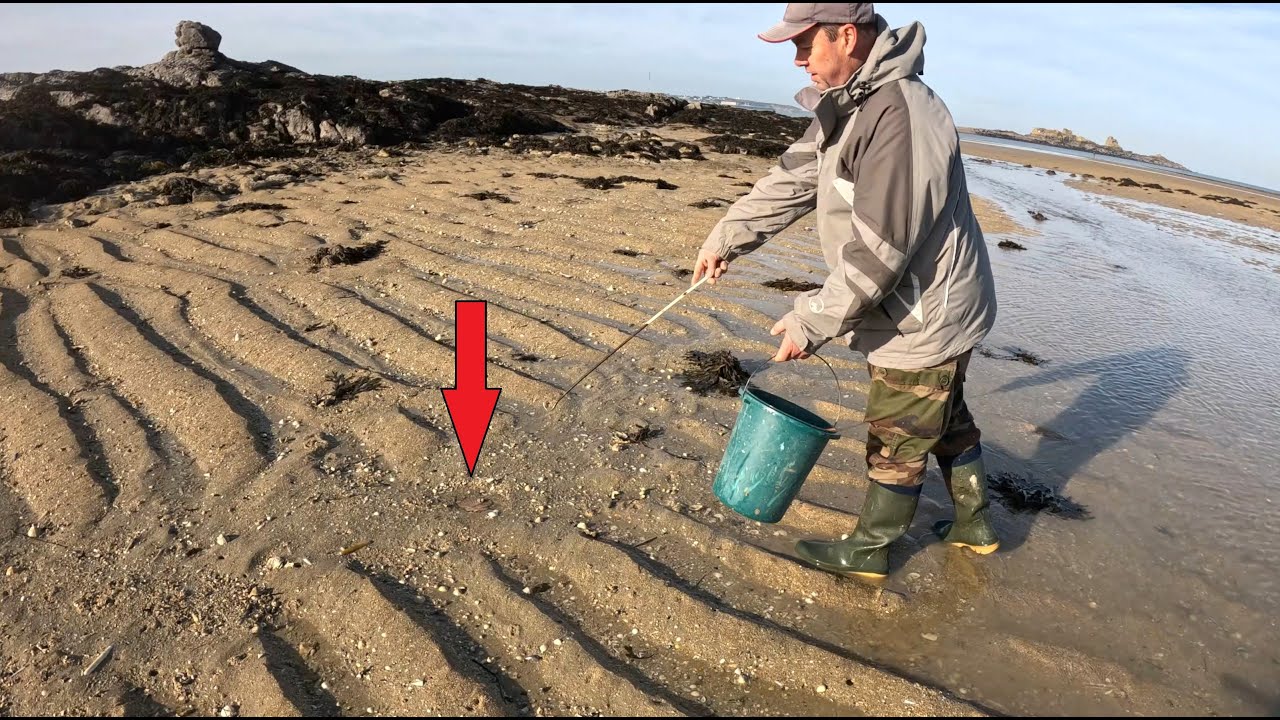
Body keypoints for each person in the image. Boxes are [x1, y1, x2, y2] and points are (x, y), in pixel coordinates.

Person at [691, 2, 1000, 580]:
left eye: (804, 44)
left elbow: (882, 249)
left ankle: (870, 550)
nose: (798, 59)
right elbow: (793, 178)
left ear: (847, 36)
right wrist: (727, 237)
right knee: (943, 412)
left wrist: (811, 320)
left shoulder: (902, 115)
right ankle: (975, 523)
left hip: (924, 310)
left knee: (898, 434)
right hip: (919, 302)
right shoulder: (849, 104)